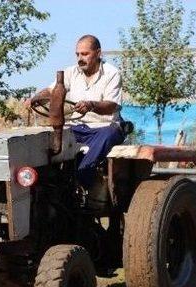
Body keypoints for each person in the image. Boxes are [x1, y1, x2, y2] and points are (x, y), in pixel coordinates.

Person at [26, 34, 125, 187]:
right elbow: (51, 91)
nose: (80, 58)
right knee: (46, 137)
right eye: (77, 54)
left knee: (109, 134)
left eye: (85, 54)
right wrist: (35, 99)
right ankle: (46, 180)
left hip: (103, 127)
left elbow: (111, 105)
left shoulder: (112, 73)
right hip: (77, 127)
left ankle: (82, 177)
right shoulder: (71, 72)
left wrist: (91, 105)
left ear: (98, 53)